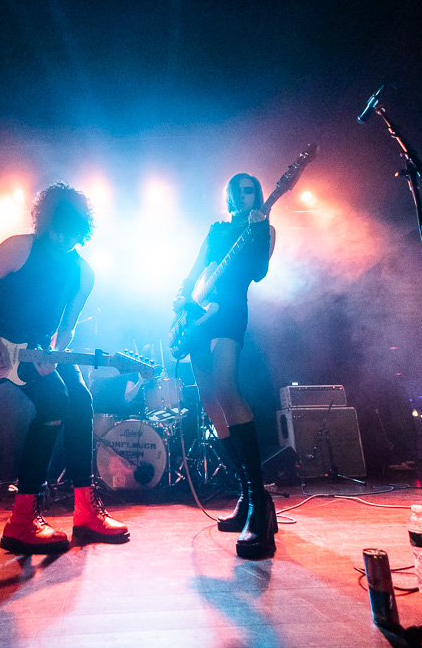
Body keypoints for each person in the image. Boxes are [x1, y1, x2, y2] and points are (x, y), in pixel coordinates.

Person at [0, 182, 128, 554]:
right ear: (45, 220)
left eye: (71, 232)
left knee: (81, 400)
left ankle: (86, 511)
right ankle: (20, 521)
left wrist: (54, 353)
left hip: (38, 351)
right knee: (55, 400)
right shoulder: (19, 247)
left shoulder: (83, 272)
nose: (62, 239)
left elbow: (67, 327)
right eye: (57, 229)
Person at [172, 173, 277, 558]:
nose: (242, 194)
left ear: (259, 195)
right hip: (199, 316)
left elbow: (258, 272)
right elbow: (195, 269)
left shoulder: (264, 226)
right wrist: (183, 300)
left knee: (226, 389)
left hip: (231, 309)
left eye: (249, 189)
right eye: (235, 189)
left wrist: (259, 228)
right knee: (210, 402)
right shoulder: (216, 229)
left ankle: (261, 507)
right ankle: (248, 495)